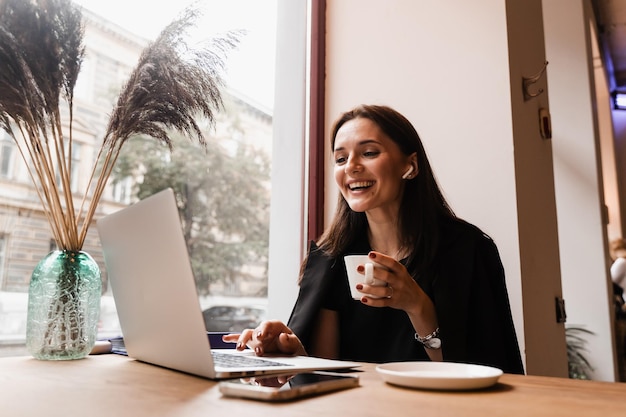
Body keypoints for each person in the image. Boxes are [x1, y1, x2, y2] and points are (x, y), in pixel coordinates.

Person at [223, 104, 525, 374]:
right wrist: (289, 353)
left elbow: (485, 372)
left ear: (410, 166)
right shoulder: (329, 259)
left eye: (369, 153)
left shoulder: (467, 250)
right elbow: (326, 376)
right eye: (340, 158)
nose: (351, 166)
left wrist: (417, 305)